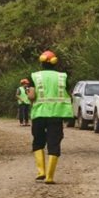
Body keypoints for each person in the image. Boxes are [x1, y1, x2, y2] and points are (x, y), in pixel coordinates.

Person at [27, 49, 72, 184]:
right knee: (54, 143)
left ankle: (41, 171)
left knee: (38, 142)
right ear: (55, 62)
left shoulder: (34, 76)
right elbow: (67, 92)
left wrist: (27, 93)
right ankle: (50, 177)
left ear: (41, 62)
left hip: (39, 114)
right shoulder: (62, 76)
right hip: (56, 114)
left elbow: (31, 96)